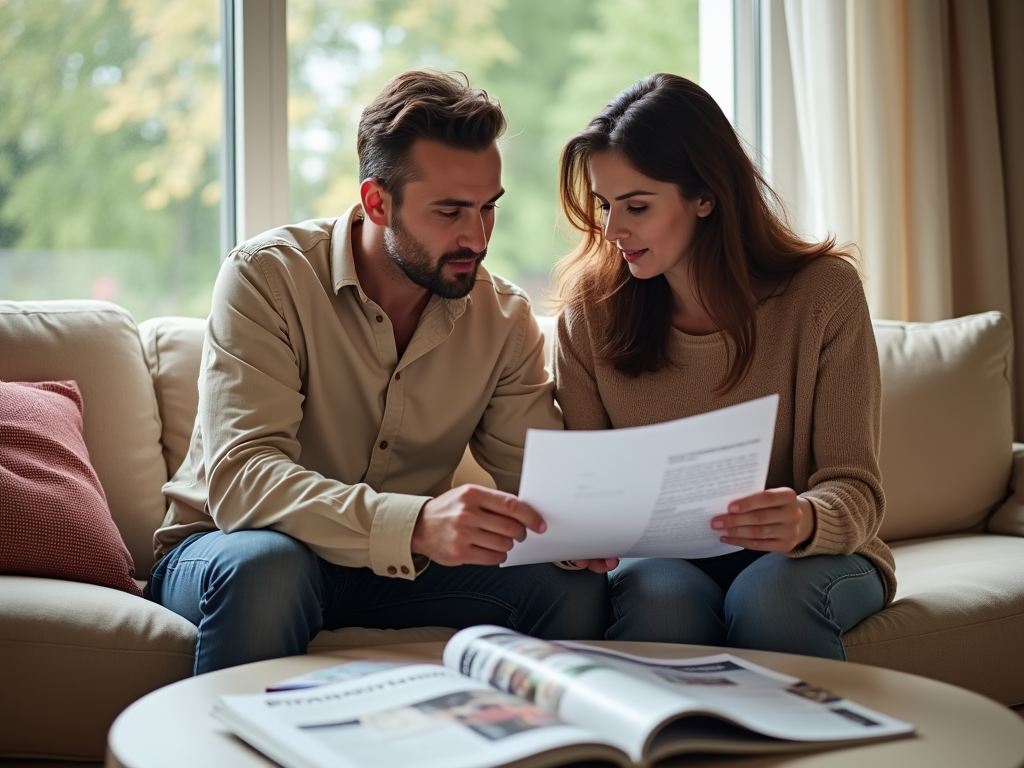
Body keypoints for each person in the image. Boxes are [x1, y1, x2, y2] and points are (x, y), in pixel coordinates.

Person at [146, 70, 609, 675]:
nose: (477, 235)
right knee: (269, 567)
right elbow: (245, 482)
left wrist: (583, 532)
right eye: (449, 211)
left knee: (569, 588)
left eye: (487, 209)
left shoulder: (503, 318)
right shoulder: (267, 277)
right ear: (376, 202)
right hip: (228, 548)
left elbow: (536, 480)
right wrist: (414, 524)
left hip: (389, 570)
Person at [553, 73, 895, 660]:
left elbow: (856, 486)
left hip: (806, 558)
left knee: (770, 596)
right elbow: (585, 495)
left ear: (705, 196)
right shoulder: (591, 313)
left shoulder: (823, 295)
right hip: (662, 560)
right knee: (661, 600)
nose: (612, 231)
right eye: (605, 206)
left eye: (636, 206)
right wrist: (573, 537)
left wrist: (807, 519)